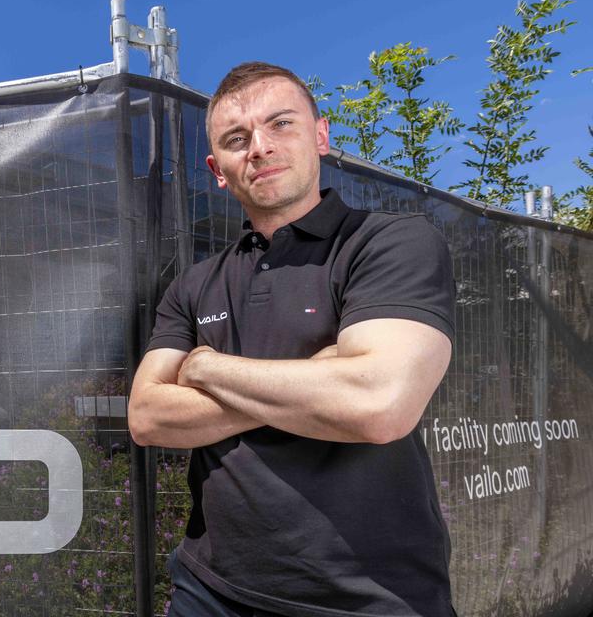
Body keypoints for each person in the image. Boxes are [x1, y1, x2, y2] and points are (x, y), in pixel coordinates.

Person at [127, 62, 456, 617]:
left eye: (280, 124)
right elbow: (147, 416)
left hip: (373, 597)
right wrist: (323, 369)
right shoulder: (194, 284)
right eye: (237, 139)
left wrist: (208, 369)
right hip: (209, 592)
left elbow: (378, 404)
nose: (259, 147)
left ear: (320, 136)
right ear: (218, 170)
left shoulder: (390, 243)